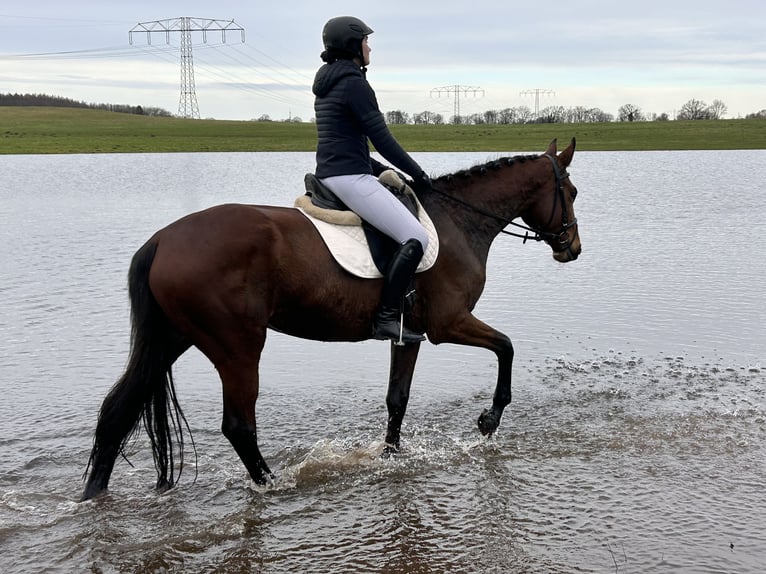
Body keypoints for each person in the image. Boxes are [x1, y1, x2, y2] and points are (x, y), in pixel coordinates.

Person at [312, 16, 431, 344]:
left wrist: (381, 171)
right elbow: (382, 138)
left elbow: (348, 143)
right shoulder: (354, 83)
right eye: (365, 40)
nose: (369, 46)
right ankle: (387, 319)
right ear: (352, 45)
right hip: (350, 178)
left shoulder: (328, 82)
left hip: (333, 173)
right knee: (415, 236)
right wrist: (418, 174)